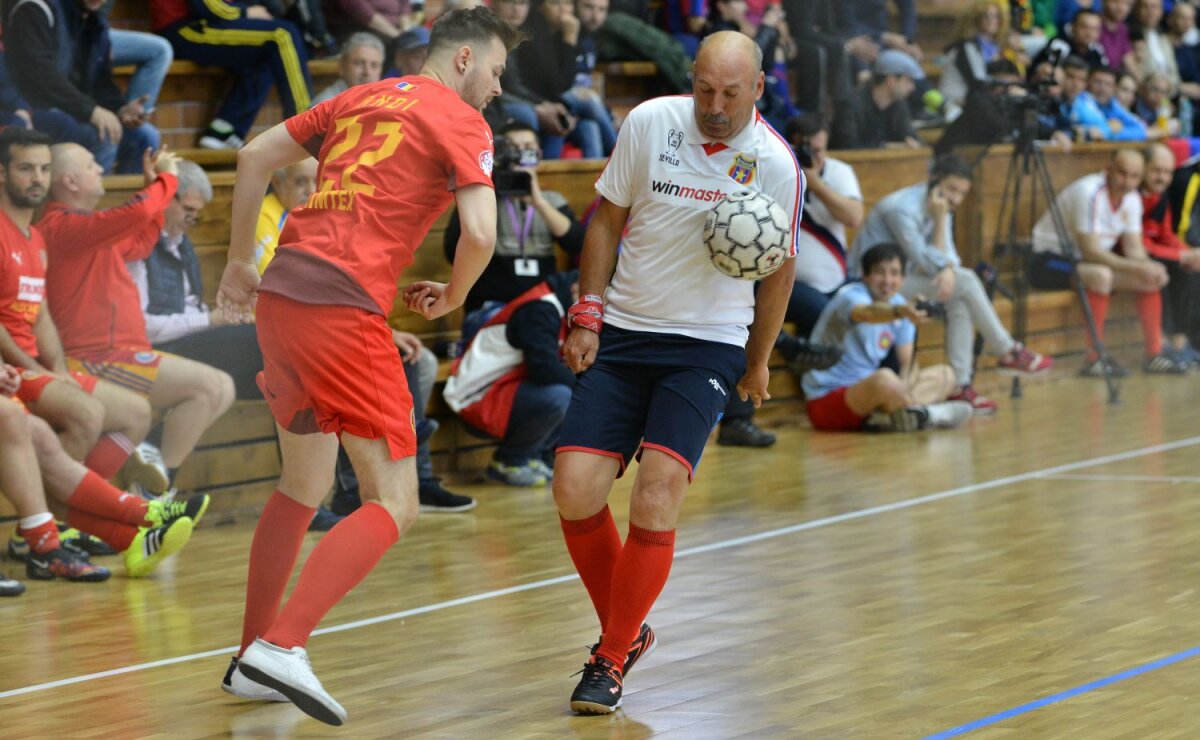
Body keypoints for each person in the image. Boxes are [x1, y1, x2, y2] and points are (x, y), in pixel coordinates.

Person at [213, 7, 520, 725]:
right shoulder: (460, 117)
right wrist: (453, 296)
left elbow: (254, 153)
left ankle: (250, 654)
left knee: (304, 482)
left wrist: (235, 262)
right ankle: (283, 646)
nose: (499, 91)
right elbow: (480, 231)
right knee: (394, 500)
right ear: (465, 60)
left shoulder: (363, 94)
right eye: (498, 72)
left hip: (284, 294)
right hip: (341, 307)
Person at [552, 31, 802, 715]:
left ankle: (608, 659)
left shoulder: (776, 165)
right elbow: (607, 221)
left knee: (656, 496)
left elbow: (780, 269)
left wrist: (758, 361)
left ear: (757, 89)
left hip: (707, 346)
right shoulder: (650, 124)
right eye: (704, 89)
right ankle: (630, 628)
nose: (714, 107)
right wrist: (588, 313)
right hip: (627, 333)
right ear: (690, 79)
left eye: (730, 94)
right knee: (574, 489)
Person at [38, 144, 237, 493]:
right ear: (69, 180)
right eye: (91, 164)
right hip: (92, 357)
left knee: (219, 389)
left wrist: (154, 186)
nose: (101, 168)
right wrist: (166, 180)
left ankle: (127, 492)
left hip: (122, 354)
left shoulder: (89, 229)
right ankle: (136, 495)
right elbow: (139, 211)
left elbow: (143, 240)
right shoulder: (62, 227)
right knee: (211, 386)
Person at [850, 154, 1054, 415]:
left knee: (959, 296)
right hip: (870, 285)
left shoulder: (939, 206)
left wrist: (947, 266)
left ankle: (961, 385)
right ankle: (1007, 350)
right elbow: (924, 260)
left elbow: (950, 259)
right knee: (966, 281)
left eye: (962, 192)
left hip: (905, 281)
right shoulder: (901, 209)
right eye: (952, 189)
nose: (956, 199)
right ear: (935, 180)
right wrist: (943, 235)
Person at [1030, 148, 1187, 374]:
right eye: (1122, 174)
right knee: (1100, 276)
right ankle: (1094, 358)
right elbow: (1091, 252)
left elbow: (1134, 249)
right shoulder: (1089, 193)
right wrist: (1137, 267)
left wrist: (1147, 267)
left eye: (1135, 176)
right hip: (1047, 261)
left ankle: (1154, 354)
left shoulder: (1132, 198)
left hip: (1085, 263)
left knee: (1149, 279)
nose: (1127, 182)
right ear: (1108, 169)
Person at [126, 161, 266, 401]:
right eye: (188, 210)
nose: (191, 219)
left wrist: (226, 316)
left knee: (269, 345)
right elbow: (143, 327)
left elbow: (191, 304)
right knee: (257, 341)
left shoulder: (181, 242)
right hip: (159, 349)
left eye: (196, 213)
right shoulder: (137, 247)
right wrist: (209, 320)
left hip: (188, 338)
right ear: (166, 198)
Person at [803, 243, 972, 432]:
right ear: (865, 276)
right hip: (827, 398)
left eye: (894, 273)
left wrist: (903, 390)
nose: (887, 280)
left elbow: (908, 364)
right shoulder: (851, 296)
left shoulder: (900, 307)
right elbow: (868, 313)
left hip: (873, 398)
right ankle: (927, 414)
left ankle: (897, 415)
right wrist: (900, 312)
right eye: (879, 272)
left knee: (946, 375)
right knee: (884, 379)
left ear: (903, 279)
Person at [444, 120, 585, 340]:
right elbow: (451, 250)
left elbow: (577, 243)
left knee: (540, 325)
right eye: (513, 149)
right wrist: (491, 189)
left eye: (528, 148)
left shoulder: (551, 201)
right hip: (491, 308)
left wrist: (538, 201)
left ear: (538, 154)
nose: (520, 155)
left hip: (543, 306)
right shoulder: (482, 201)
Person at [443, 270, 577, 485]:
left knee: (573, 390)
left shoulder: (560, 307)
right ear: (575, 288)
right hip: (476, 396)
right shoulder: (541, 308)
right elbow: (543, 370)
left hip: (505, 388)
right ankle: (510, 460)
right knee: (564, 395)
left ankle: (536, 457)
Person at [5, 0, 159, 174]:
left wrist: (121, 109)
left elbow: (100, 81)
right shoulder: (34, 7)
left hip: (72, 110)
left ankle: (131, 201)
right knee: (103, 134)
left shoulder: (94, 19)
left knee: (145, 136)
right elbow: (40, 75)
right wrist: (92, 111)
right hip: (32, 110)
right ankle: (91, 197)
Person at [151, 0, 313, 149]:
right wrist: (246, 12)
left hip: (206, 22)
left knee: (272, 52)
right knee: (283, 35)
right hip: (185, 27)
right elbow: (207, 6)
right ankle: (306, 127)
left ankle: (224, 128)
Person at [775, 112, 862, 365]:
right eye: (806, 149)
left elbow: (854, 217)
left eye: (819, 150)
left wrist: (815, 184)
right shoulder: (775, 171)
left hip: (836, 281)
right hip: (788, 283)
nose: (813, 157)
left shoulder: (839, 172)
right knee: (824, 314)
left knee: (873, 313)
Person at [1143, 143, 1200, 365]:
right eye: (1156, 171)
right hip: (1139, 254)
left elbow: (1166, 234)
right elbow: (1180, 229)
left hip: (1162, 247)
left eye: (1166, 172)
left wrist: (1186, 253)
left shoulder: (1159, 197)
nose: (1162, 178)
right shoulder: (1187, 179)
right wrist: (1186, 255)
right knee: (1181, 271)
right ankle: (1179, 341)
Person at [831, 49, 923, 150]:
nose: (913, 88)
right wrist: (887, 147)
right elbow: (848, 147)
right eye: (909, 81)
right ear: (891, 80)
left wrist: (914, 143)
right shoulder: (850, 105)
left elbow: (909, 135)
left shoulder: (899, 105)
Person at [254, 159, 319, 273]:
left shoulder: (323, 212)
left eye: (316, 181)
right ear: (277, 183)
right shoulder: (262, 215)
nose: (311, 190)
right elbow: (271, 274)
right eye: (301, 182)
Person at [313, 33, 386, 104]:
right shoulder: (324, 106)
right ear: (342, 66)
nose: (367, 72)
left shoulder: (386, 101)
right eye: (359, 63)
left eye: (374, 65)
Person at [1088, 64, 1153, 140]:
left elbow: (1141, 129)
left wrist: (1115, 131)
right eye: (1098, 82)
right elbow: (1096, 133)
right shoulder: (1083, 101)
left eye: (1108, 84)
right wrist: (1109, 129)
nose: (1102, 88)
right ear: (1088, 83)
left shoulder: (1112, 105)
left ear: (1113, 88)